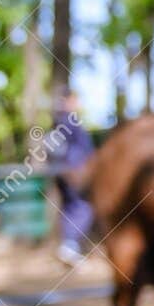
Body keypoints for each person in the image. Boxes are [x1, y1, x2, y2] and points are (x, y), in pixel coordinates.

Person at [48, 89, 95, 265]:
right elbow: (64, 149)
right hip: (73, 173)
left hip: (66, 171)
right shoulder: (68, 121)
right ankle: (70, 246)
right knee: (82, 207)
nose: (78, 103)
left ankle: (69, 246)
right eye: (75, 99)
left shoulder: (59, 121)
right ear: (69, 101)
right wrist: (70, 168)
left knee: (70, 207)